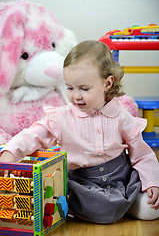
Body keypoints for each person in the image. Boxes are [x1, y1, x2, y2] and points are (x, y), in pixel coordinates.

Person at [0, 40, 159, 223]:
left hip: (121, 180)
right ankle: (88, 208)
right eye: (70, 87)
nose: (76, 96)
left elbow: (142, 154)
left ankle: (123, 204)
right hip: (83, 186)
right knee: (73, 202)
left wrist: (152, 182)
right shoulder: (61, 117)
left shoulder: (120, 116)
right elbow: (33, 134)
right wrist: (11, 152)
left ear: (107, 83)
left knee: (151, 210)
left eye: (84, 88)